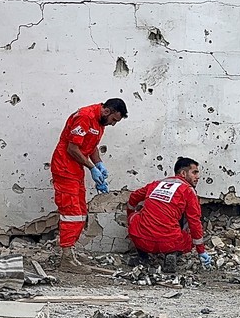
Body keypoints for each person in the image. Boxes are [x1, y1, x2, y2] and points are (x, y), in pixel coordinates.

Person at [51, 98, 127, 274]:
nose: (113, 124)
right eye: (114, 120)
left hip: (75, 170)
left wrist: (99, 164)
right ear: (107, 111)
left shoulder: (99, 121)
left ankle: (70, 253)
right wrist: (92, 168)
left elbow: (91, 146)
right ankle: (67, 258)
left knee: (80, 212)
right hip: (64, 168)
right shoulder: (85, 116)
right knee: (72, 213)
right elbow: (72, 148)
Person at [126, 157, 213, 273]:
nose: (198, 177)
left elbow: (132, 198)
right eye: (194, 172)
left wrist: (130, 216)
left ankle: (143, 257)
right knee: (188, 237)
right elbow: (194, 222)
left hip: (143, 239)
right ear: (183, 173)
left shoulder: (156, 184)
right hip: (168, 242)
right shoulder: (188, 191)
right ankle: (172, 254)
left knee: (135, 218)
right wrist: (201, 251)